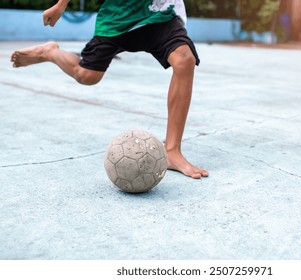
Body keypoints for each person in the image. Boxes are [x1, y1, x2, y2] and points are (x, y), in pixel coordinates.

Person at [11, 0, 208, 179]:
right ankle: (50, 52)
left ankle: (172, 150)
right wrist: (61, 5)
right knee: (87, 75)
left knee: (184, 60)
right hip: (118, 17)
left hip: (160, 13)